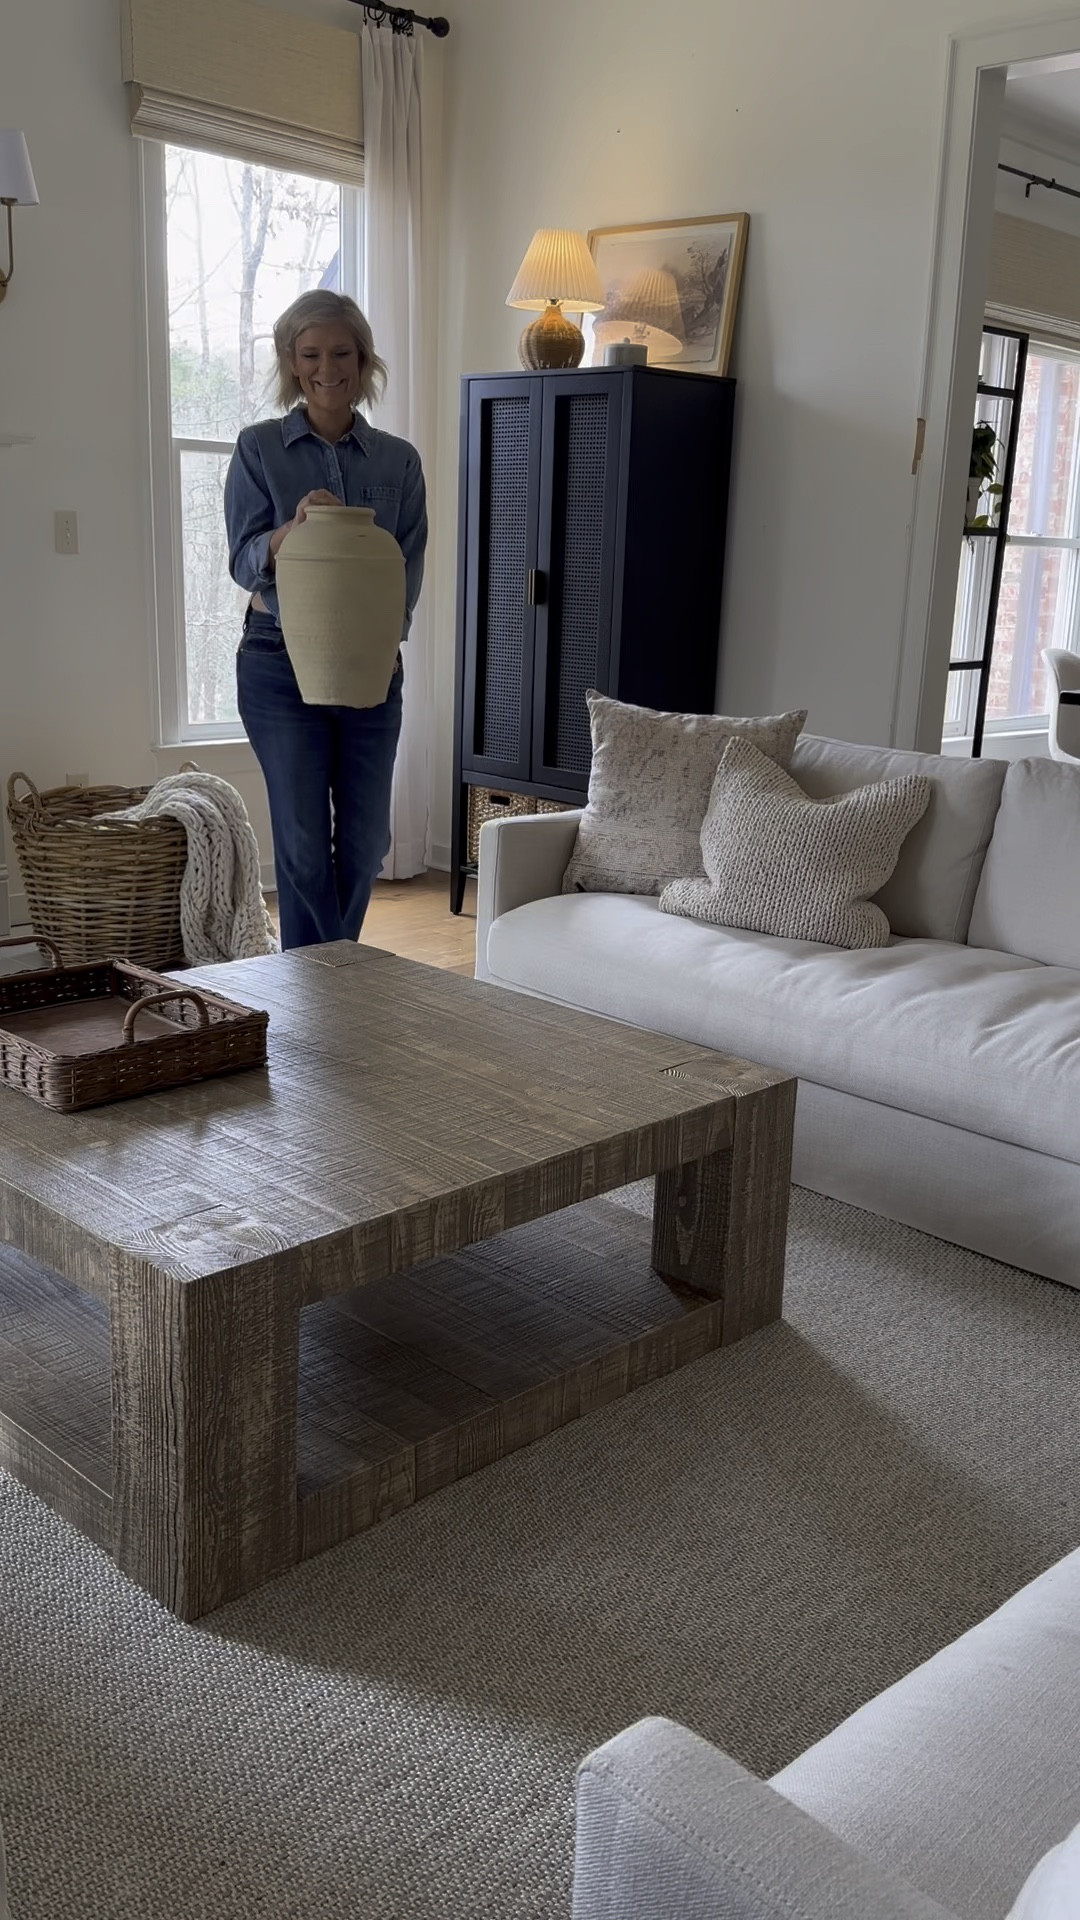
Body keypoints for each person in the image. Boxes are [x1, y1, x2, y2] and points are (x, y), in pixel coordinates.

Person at [224, 290, 427, 951]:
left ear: (363, 359)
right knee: (305, 843)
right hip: (277, 665)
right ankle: (331, 985)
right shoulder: (258, 450)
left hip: (371, 672)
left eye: (342, 352)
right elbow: (242, 560)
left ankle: (327, 976)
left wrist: (375, 642)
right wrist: (290, 532)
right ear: (291, 361)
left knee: (367, 842)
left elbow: (406, 567)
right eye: (310, 354)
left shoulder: (398, 461)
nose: (327, 367)